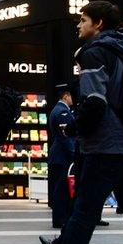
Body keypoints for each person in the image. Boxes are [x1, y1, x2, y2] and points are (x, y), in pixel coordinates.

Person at [33, 1, 123, 244]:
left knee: (84, 211)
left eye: (83, 20)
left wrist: (74, 127)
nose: (79, 25)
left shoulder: (94, 52)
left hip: (105, 145)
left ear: (98, 24)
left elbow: (94, 102)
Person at [48, 84, 76, 229]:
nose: (73, 99)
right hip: (62, 156)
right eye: (71, 96)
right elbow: (65, 137)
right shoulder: (62, 112)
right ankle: (59, 219)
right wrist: (73, 154)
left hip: (60, 156)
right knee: (61, 189)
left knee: (62, 188)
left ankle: (62, 217)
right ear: (65, 96)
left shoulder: (60, 110)